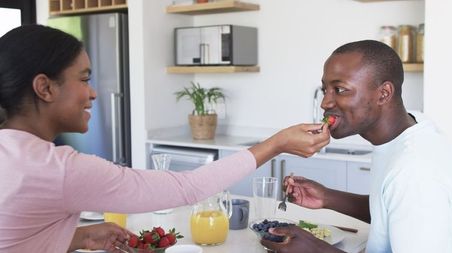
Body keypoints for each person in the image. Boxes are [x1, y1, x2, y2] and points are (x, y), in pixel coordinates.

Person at [0, 25, 331, 253]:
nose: (93, 93)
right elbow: (187, 188)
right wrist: (276, 144)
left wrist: (75, 238)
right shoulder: (57, 169)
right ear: (45, 88)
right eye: (83, 79)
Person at [261, 40, 452, 253]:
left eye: (340, 89)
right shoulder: (412, 128)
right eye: (325, 89)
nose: (325, 102)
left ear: (383, 93)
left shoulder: (414, 171)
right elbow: (394, 210)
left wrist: (314, 249)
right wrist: (327, 197)